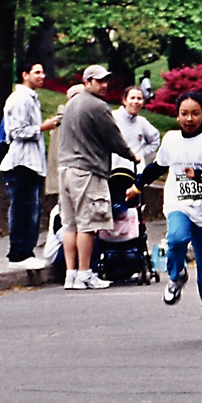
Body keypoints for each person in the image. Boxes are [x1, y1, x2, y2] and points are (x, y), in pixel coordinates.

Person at [142, 92, 202, 339]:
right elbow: (159, 166)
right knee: (176, 238)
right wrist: (137, 185)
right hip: (177, 204)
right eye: (184, 113)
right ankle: (177, 275)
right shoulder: (171, 139)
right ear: (177, 115)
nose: (189, 118)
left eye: (195, 113)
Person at [56, 65, 138, 292]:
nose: (104, 85)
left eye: (106, 81)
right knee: (88, 225)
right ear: (87, 81)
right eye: (99, 81)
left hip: (66, 169)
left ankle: (70, 274)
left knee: (69, 224)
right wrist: (133, 156)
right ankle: (85, 273)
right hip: (87, 171)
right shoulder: (98, 107)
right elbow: (114, 139)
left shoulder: (72, 103)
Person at [0, 61, 59, 265]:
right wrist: (42, 127)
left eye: (43, 72)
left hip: (33, 163)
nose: (42, 76)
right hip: (21, 162)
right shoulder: (19, 99)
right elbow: (16, 132)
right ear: (25, 74)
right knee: (22, 209)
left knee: (32, 209)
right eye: (37, 72)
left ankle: (26, 251)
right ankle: (18, 253)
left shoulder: (32, 99)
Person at [113, 85, 161, 170]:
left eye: (139, 99)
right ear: (124, 100)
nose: (135, 101)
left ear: (143, 102)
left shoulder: (142, 122)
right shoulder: (113, 117)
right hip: (113, 169)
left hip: (135, 171)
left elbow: (155, 139)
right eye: (132, 98)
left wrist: (142, 153)